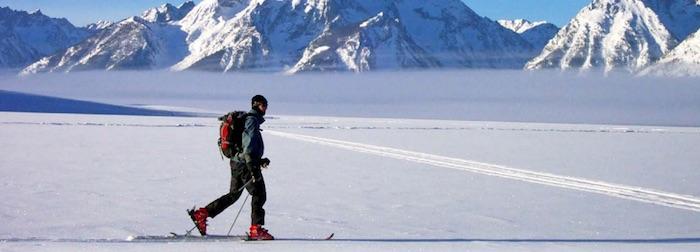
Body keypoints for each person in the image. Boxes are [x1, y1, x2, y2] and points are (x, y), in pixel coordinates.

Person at [189, 95, 274, 240]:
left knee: (234, 194)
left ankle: (201, 214)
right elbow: (248, 147)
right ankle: (256, 229)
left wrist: (258, 161)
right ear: (256, 105)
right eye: (263, 105)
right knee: (259, 193)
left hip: (237, 162)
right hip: (244, 164)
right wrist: (253, 166)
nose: (265, 108)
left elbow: (245, 146)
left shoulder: (248, 120)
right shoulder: (252, 121)